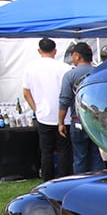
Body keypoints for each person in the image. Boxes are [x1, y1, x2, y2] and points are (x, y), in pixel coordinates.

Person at [22, 38, 71, 180]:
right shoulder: (64, 68)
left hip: (43, 115)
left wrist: (36, 109)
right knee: (63, 151)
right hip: (63, 115)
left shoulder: (30, 68)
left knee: (46, 151)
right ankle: (64, 178)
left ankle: (47, 179)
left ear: (39, 51)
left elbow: (26, 92)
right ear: (55, 51)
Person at [57, 42, 103, 174]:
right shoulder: (100, 72)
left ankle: (80, 184)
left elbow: (64, 100)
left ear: (77, 56)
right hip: (97, 120)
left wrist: (60, 122)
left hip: (78, 120)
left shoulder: (70, 75)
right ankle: (99, 183)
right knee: (97, 156)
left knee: (79, 157)